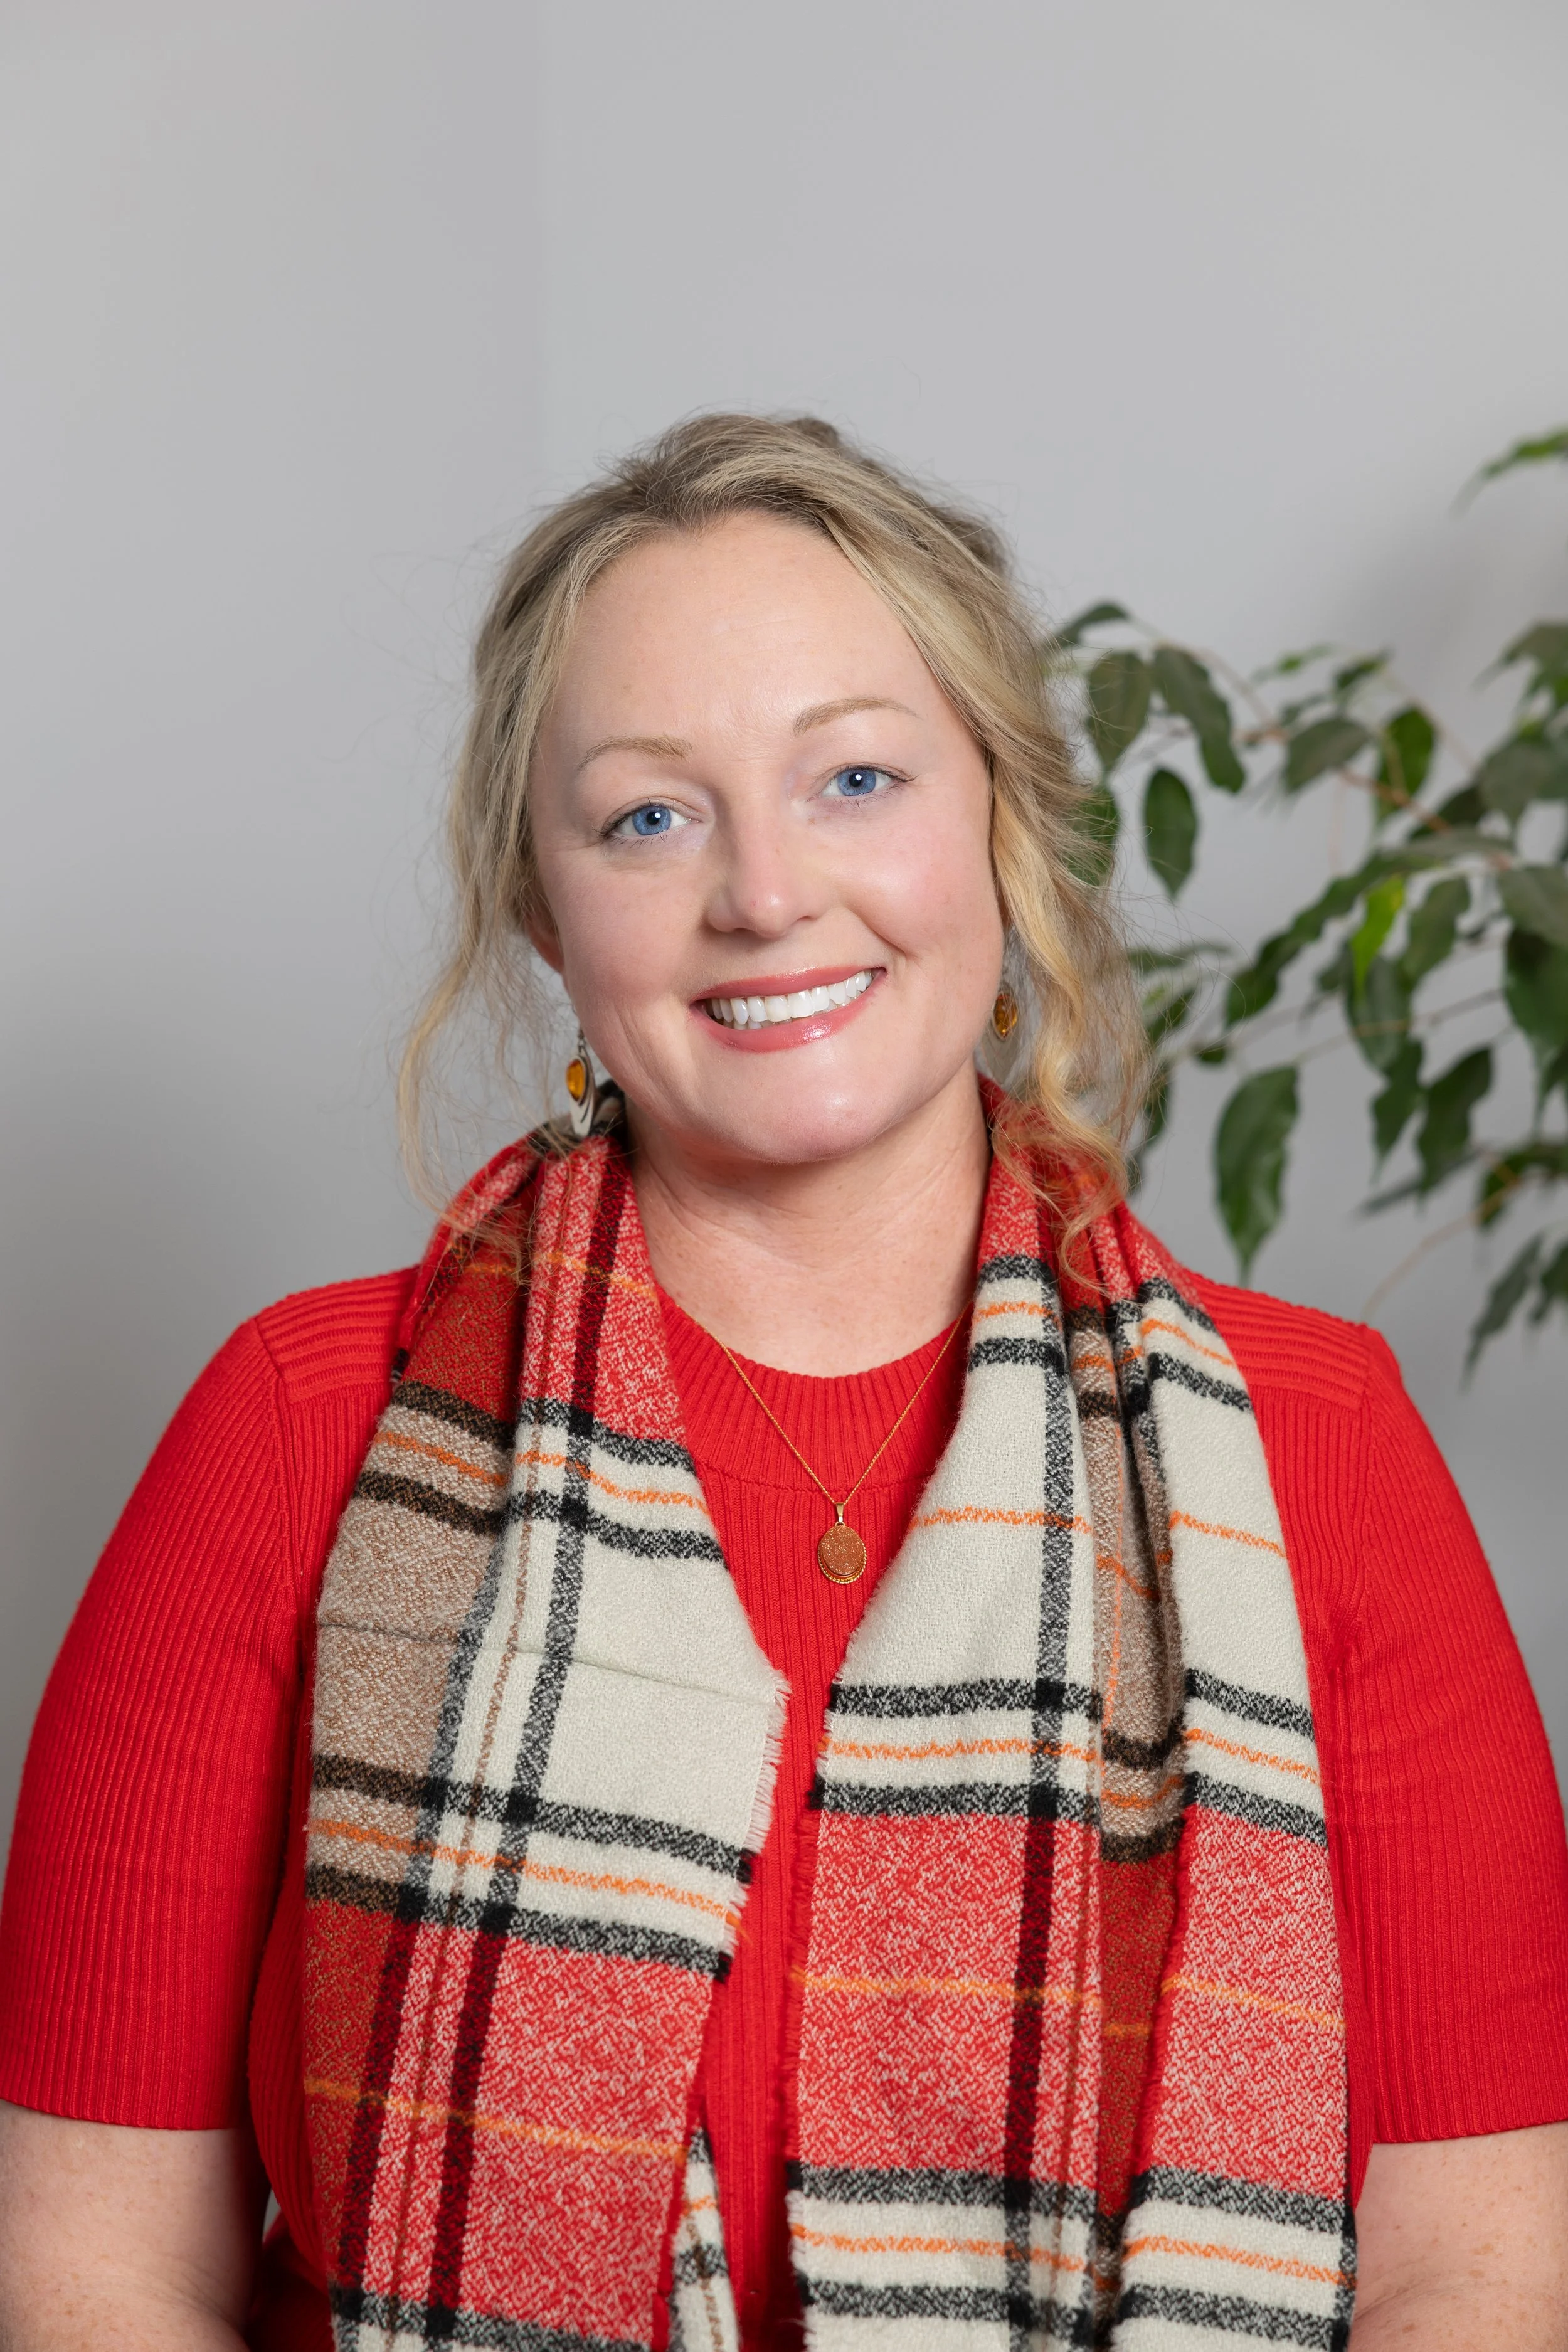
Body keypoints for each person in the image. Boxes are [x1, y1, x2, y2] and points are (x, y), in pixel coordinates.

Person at [0, 415, 1565, 2352]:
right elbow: (92, 2277)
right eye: (648, 817)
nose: (762, 892)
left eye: (854, 778)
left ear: (999, 815)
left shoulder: (1318, 1443)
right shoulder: (296, 1426)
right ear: (540, 903)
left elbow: (1476, 2276)